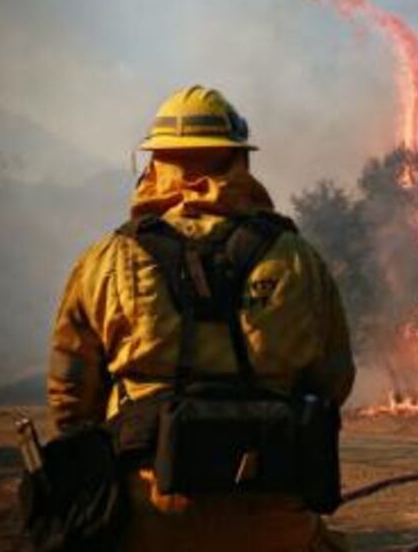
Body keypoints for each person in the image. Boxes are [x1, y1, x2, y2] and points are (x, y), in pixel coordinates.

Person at [47, 85, 354, 551]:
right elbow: (333, 381)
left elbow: (71, 399)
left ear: (154, 166)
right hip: (274, 512)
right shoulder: (298, 259)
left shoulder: (106, 259)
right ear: (239, 162)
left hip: (150, 515)